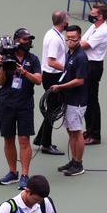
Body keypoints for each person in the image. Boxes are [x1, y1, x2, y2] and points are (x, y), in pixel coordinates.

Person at [0, 28, 42, 189]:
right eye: (24, 39)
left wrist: (24, 72)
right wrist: (1, 66)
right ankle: (12, 172)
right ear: (16, 41)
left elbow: (38, 80)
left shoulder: (33, 59)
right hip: (7, 103)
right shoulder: (7, 57)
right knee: (8, 138)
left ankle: (24, 175)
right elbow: (0, 82)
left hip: (25, 104)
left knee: (24, 139)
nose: (28, 42)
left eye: (29, 39)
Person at [52, 25, 88, 176]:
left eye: (73, 38)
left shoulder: (81, 57)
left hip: (77, 101)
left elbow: (80, 81)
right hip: (69, 99)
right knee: (70, 131)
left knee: (76, 132)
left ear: (79, 38)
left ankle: (79, 164)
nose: (70, 41)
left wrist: (61, 87)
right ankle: (73, 160)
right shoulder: (70, 53)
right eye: (68, 38)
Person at [34, 10, 68, 156]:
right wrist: (67, 68)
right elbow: (51, 61)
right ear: (63, 22)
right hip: (53, 77)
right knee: (53, 111)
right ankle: (46, 144)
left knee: (52, 109)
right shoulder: (54, 39)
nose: (68, 22)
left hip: (50, 76)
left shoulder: (52, 33)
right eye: (67, 19)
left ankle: (40, 139)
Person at [80, 3, 107, 145]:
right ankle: (89, 130)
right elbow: (82, 39)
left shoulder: (103, 31)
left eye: (93, 13)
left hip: (94, 66)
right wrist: (78, 41)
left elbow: (84, 44)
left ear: (100, 16)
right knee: (86, 100)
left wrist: (75, 41)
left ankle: (95, 135)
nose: (90, 15)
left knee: (92, 101)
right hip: (88, 64)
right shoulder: (94, 26)